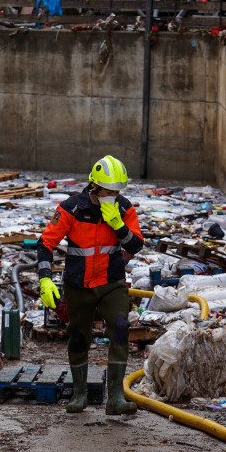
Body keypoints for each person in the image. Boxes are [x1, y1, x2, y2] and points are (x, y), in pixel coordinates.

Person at [37, 155, 144, 415]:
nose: (114, 195)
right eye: (109, 191)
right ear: (94, 186)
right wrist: (45, 278)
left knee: (120, 326)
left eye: (118, 191)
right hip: (78, 284)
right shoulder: (72, 208)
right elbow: (46, 243)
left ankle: (116, 398)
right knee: (78, 337)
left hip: (111, 281)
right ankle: (79, 394)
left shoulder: (124, 208)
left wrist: (118, 225)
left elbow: (136, 246)